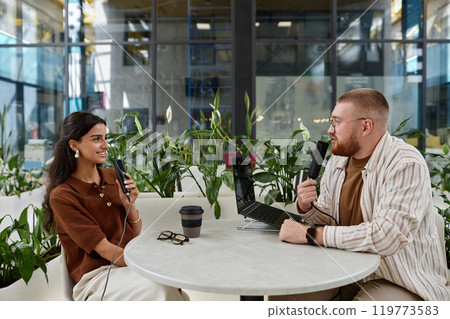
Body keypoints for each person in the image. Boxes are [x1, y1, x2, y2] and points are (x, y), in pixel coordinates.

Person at [271, 88, 449, 301]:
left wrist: (310, 234)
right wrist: (308, 208)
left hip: (400, 279)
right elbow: (331, 217)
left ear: (365, 126)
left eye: (336, 122)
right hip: (349, 267)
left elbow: (387, 236)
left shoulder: (405, 163)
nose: (330, 130)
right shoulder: (339, 160)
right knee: (287, 293)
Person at [43, 111, 187, 301]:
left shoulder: (112, 177)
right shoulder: (63, 196)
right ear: (74, 144)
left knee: (174, 285)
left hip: (127, 266)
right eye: (97, 139)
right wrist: (149, 263)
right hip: (97, 278)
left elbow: (134, 232)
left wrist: (129, 205)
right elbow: (104, 250)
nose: (105, 145)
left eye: (105, 138)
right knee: (161, 289)